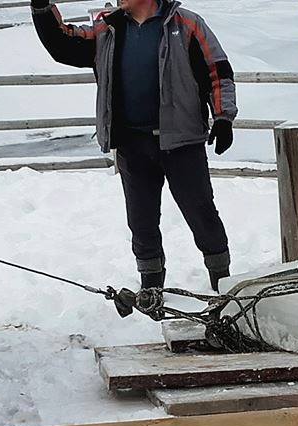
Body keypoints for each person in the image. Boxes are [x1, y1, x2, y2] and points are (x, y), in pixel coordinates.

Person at [30, 0, 237, 291]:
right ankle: (151, 289)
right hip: (132, 144)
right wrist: (41, 9)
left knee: (201, 214)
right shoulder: (108, 30)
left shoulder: (186, 24)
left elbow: (217, 72)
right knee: (141, 223)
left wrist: (223, 117)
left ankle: (223, 283)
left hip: (182, 142)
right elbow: (63, 44)